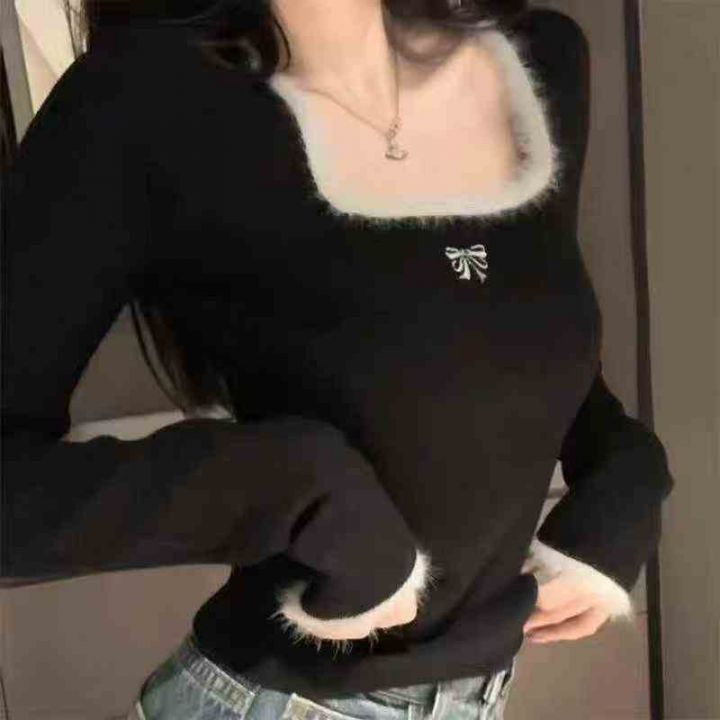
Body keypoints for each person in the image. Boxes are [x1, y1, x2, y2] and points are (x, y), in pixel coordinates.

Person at [1, 1, 676, 718]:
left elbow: (489, 346)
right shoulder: (140, 96)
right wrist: (290, 484)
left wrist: (624, 464)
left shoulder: (541, 59)